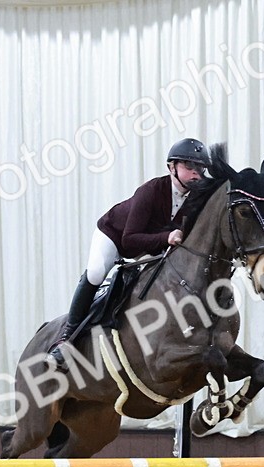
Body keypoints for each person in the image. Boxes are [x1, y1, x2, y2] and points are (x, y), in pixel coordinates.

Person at [45, 137, 211, 371]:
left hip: (149, 247)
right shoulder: (151, 190)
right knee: (96, 272)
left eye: (200, 169)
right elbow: (130, 239)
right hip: (115, 236)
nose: (196, 174)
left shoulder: (195, 198)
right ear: (171, 167)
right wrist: (167, 238)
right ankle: (65, 339)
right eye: (189, 167)